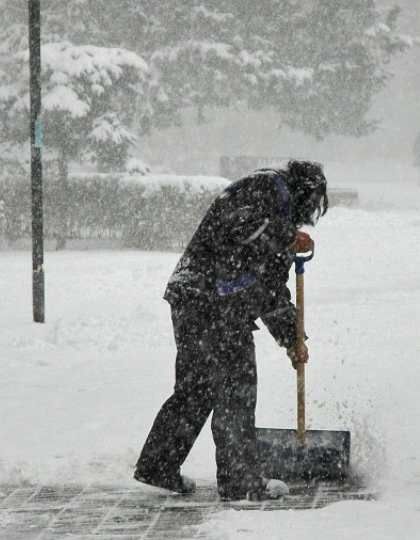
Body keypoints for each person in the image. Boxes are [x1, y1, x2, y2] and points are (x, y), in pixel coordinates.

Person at [134, 160, 328, 501]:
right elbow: (238, 224)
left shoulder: (276, 213)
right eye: (311, 205)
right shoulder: (266, 186)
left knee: (196, 390)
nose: (308, 215)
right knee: (236, 389)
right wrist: (285, 236)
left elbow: (269, 289)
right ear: (303, 193)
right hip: (213, 302)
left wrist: (293, 339)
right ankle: (240, 482)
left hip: (197, 298)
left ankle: (158, 465)